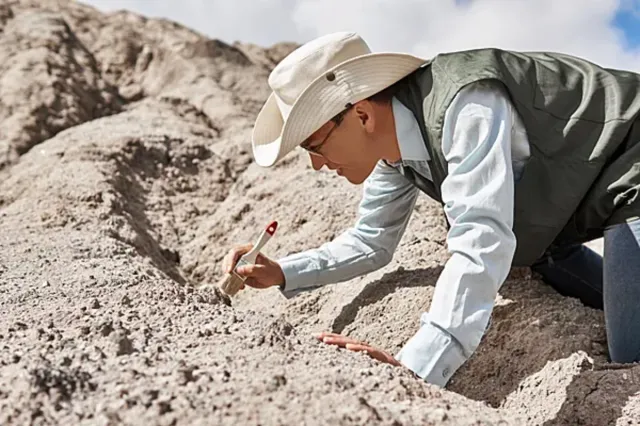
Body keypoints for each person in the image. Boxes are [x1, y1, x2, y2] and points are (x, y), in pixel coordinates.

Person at [222, 32, 640, 386]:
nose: (315, 163)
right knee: (536, 259)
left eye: (314, 145)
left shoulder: (466, 105)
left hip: (633, 174)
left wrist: (413, 370)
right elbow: (372, 240)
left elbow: (482, 236)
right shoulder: (393, 153)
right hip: (577, 205)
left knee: (631, 359)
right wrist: (282, 272)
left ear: (362, 114)